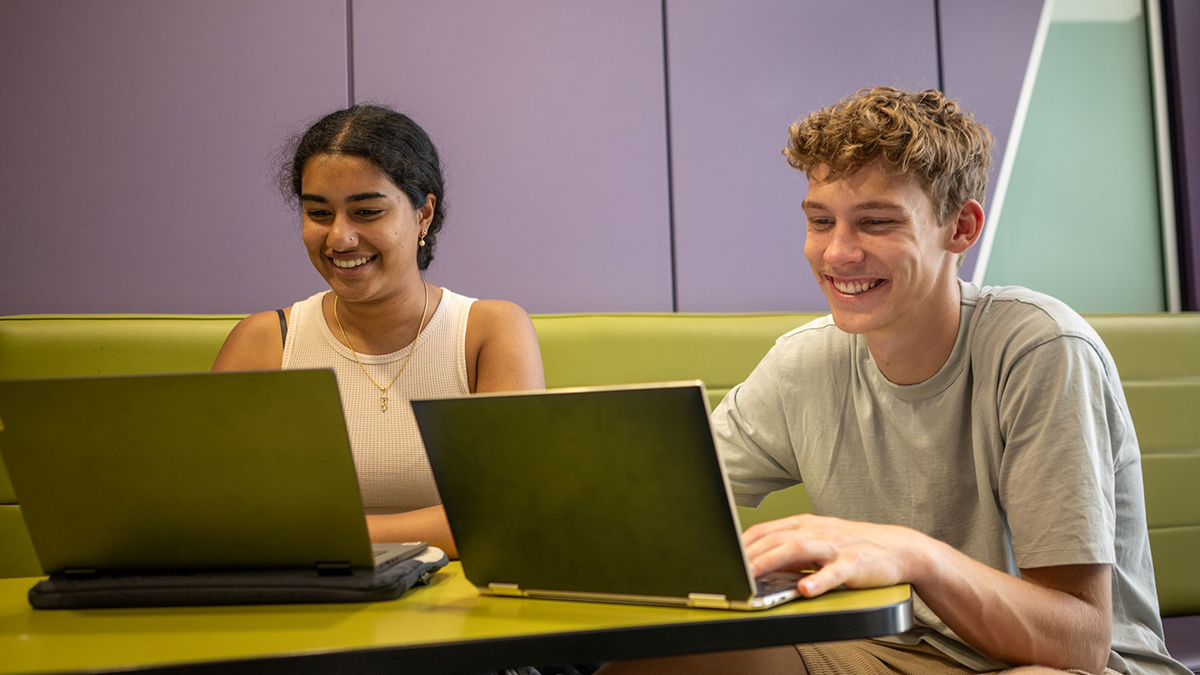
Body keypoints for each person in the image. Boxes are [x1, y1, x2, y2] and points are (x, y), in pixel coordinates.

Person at [601, 88, 1186, 674]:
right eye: (820, 221)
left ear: (960, 227)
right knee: (651, 664)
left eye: (876, 223)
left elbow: (1077, 642)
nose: (837, 253)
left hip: (1067, 664)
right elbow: (656, 509)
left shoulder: (1039, 349)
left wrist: (914, 556)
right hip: (891, 651)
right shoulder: (803, 364)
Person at [213, 105, 545, 558]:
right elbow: (219, 513)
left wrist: (321, 534)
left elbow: (506, 511)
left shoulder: (489, 331)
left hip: (457, 611)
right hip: (308, 608)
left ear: (423, 214)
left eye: (367, 212)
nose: (339, 239)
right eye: (318, 213)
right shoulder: (265, 341)